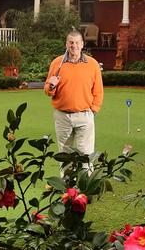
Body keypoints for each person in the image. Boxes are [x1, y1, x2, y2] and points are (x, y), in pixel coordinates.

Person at [44, 29, 104, 169]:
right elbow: (48, 91)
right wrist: (51, 86)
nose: (74, 46)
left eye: (77, 42)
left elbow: (98, 90)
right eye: (71, 42)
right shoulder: (57, 63)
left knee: (86, 155)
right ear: (66, 44)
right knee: (65, 155)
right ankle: (67, 189)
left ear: (82, 44)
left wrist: (93, 110)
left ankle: (85, 187)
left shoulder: (92, 64)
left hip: (84, 115)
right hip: (62, 116)